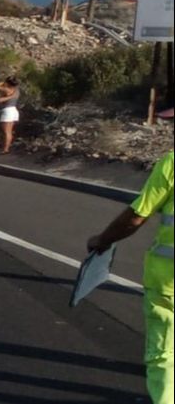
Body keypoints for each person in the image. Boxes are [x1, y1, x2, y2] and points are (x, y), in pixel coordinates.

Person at [87, 150, 172, 404]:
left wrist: (102, 240)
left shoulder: (172, 163)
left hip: (168, 282)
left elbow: (136, 216)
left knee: (165, 356)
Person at [0, 76, 21, 155]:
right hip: (14, 110)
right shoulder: (17, 91)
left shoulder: (7, 90)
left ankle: (5, 149)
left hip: (7, 110)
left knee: (6, 132)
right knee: (9, 131)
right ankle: (6, 147)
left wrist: (3, 82)